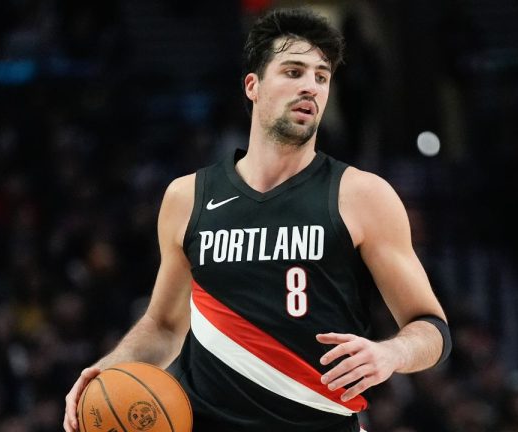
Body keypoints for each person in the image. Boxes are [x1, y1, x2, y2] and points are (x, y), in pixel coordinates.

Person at [63, 8, 450, 432]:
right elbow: (165, 325)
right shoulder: (187, 196)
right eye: (293, 71)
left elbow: (431, 328)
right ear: (253, 85)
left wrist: (391, 354)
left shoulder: (361, 195)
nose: (311, 87)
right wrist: (104, 372)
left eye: (321, 76)